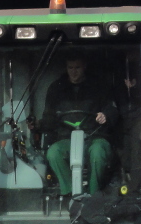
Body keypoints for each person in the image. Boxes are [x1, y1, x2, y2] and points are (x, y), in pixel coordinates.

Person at [35, 56, 118, 196]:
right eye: (70, 68)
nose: (74, 72)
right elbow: (49, 117)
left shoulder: (99, 86)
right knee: (53, 153)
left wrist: (105, 115)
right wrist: (38, 125)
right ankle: (71, 193)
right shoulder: (56, 88)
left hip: (94, 137)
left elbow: (112, 109)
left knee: (98, 152)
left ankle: (93, 194)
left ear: (84, 66)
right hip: (66, 138)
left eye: (77, 68)